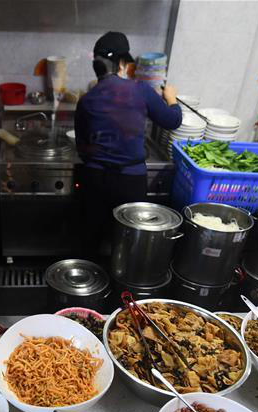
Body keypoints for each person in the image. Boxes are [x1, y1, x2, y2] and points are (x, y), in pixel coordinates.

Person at [74, 31, 182, 254]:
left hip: (95, 180)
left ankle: (90, 283)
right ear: (121, 63)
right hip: (130, 182)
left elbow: (82, 148)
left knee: (91, 240)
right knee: (129, 242)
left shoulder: (86, 100)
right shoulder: (141, 90)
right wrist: (171, 97)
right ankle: (121, 285)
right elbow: (172, 120)